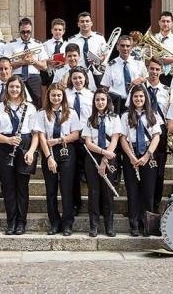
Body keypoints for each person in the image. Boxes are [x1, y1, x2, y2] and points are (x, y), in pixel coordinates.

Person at [0, 75, 39, 235]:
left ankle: (21, 223)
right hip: (4, 147)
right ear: (7, 89)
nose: (14, 90)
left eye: (17, 87)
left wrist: (31, 151)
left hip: (24, 146)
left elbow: (36, 134)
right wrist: (7, 140)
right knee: (8, 187)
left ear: (21, 89)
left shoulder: (30, 108)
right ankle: (11, 222)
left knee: (22, 187)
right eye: (11, 87)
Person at [35, 83, 82, 236]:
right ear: (48, 96)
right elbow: (41, 136)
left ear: (63, 97)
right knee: (51, 189)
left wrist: (59, 140)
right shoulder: (42, 113)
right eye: (53, 95)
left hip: (66, 150)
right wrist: (48, 157)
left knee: (67, 188)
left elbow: (75, 135)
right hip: (49, 151)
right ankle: (54, 222)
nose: (56, 98)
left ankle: (68, 223)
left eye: (59, 95)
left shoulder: (71, 113)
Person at [120, 85, 162, 237]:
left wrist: (146, 156)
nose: (138, 99)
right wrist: (131, 157)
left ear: (145, 98)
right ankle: (134, 224)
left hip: (148, 154)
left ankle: (147, 225)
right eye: (135, 96)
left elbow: (156, 136)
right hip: (131, 153)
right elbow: (123, 138)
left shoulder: (153, 114)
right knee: (132, 191)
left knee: (148, 192)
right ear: (131, 99)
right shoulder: (125, 116)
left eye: (141, 96)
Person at [83, 88, 120, 237]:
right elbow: (88, 142)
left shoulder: (115, 118)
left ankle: (109, 226)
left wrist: (105, 160)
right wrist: (103, 154)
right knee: (93, 192)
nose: (100, 102)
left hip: (109, 157)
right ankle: (93, 225)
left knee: (108, 192)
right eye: (97, 100)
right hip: (93, 156)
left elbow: (115, 139)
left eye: (103, 99)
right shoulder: (90, 119)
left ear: (107, 101)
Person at [139, 57, 173, 212]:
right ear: (147, 69)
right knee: (140, 167)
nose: (154, 72)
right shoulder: (139, 89)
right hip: (141, 129)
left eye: (157, 69)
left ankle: (155, 204)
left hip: (160, 130)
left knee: (158, 170)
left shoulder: (167, 91)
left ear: (162, 71)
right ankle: (140, 205)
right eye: (151, 68)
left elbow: (170, 113)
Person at [65, 66, 95, 212]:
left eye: (80, 77)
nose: (77, 80)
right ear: (70, 79)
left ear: (85, 79)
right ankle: (75, 204)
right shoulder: (65, 95)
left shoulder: (91, 95)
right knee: (73, 173)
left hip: (86, 137)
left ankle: (94, 204)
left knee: (90, 172)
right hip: (70, 137)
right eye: (75, 78)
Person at [4, 17, 48, 108]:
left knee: (37, 103)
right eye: (23, 32)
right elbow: (6, 65)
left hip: (34, 77)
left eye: (28, 32)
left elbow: (44, 66)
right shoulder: (11, 44)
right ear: (19, 31)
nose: (26, 34)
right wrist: (22, 62)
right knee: (16, 102)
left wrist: (32, 61)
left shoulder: (38, 44)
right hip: (17, 76)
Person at [101, 35, 147, 114]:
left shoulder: (139, 62)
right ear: (117, 47)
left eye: (127, 46)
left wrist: (140, 79)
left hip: (136, 101)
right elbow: (106, 87)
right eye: (122, 46)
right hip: (118, 102)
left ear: (131, 47)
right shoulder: (111, 65)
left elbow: (147, 78)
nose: (125, 48)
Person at [69, 12, 107, 88]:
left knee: (99, 96)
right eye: (82, 21)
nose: (85, 23)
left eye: (87, 21)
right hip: (79, 74)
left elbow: (105, 54)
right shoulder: (72, 40)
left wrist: (97, 60)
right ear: (78, 24)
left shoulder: (99, 38)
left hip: (97, 72)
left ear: (91, 23)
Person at [41, 18, 67, 106]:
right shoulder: (45, 44)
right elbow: (42, 59)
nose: (57, 32)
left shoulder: (67, 45)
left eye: (60, 30)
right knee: (49, 94)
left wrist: (64, 62)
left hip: (63, 74)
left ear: (63, 31)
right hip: (50, 73)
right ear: (51, 30)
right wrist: (48, 60)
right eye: (55, 29)